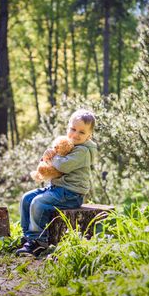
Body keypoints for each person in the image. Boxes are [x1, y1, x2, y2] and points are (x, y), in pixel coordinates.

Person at [16, 109, 97, 256]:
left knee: (38, 203)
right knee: (26, 199)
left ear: (89, 136)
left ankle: (38, 242)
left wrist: (52, 156)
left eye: (81, 132)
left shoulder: (83, 151)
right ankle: (28, 237)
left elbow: (63, 166)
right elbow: (53, 165)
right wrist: (47, 156)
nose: (75, 135)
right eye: (73, 129)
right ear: (68, 128)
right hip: (56, 188)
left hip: (71, 193)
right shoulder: (68, 145)